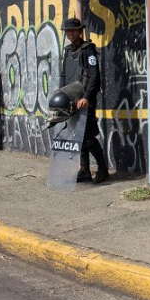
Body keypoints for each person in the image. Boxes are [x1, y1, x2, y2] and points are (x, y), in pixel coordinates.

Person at [60, 17, 108, 184]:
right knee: (76, 136)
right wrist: (62, 97)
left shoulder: (88, 50)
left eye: (73, 30)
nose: (70, 34)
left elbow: (94, 76)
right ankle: (84, 170)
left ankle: (103, 169)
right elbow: (64, 75)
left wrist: (87, 97)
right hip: (71, 100)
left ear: (80, 31)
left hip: (85, 100)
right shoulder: (67, 51)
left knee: (87, 136)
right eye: (68, 31)